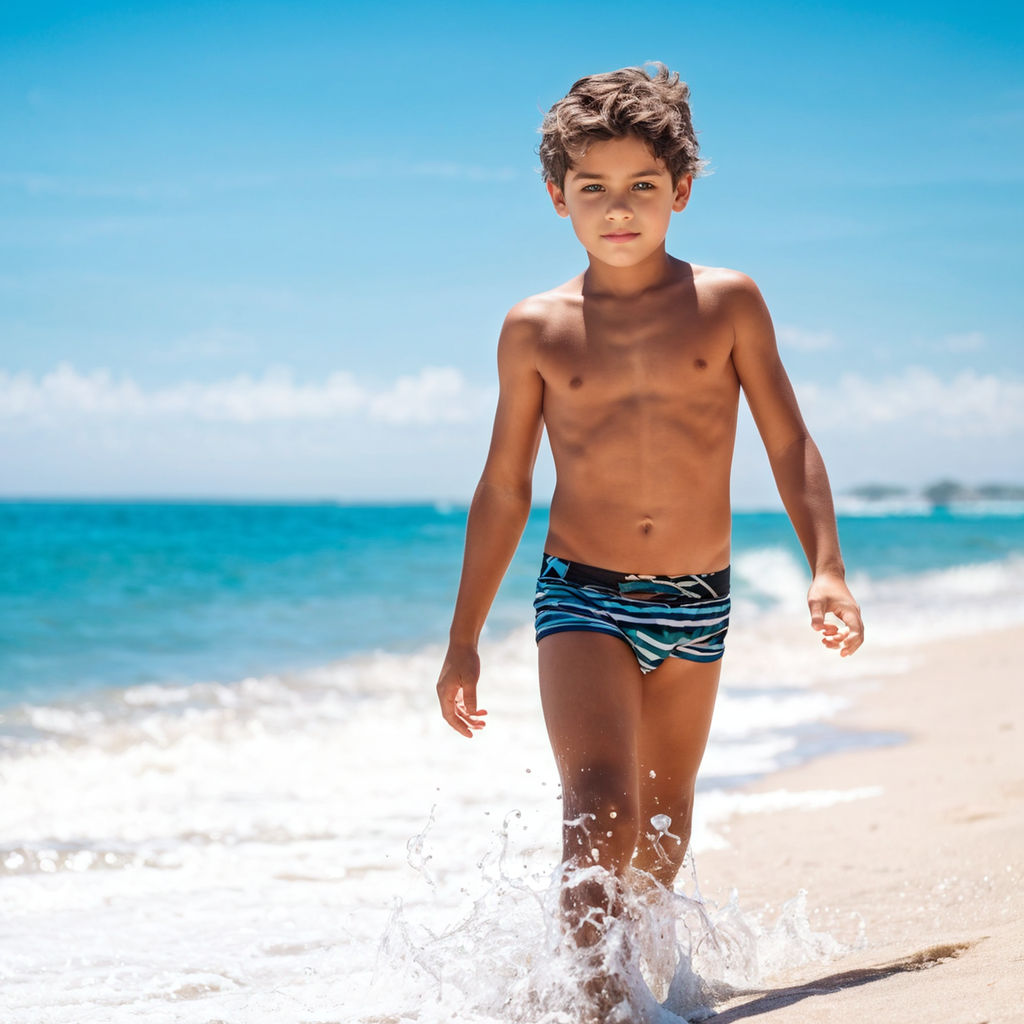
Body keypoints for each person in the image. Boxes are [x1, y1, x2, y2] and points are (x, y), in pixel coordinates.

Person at [435, 62, 863, 1014]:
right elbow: (506, 485)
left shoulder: (729, 302)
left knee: (661, 831)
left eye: (641, 187)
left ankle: (650, 992)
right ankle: (593, 1006)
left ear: (682, 189)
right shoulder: (535, 326)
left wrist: (826, 568)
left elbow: (787, 440)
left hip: (697, 601)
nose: (617, 209)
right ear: (558, 197)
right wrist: (464, 636)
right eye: (593, 189)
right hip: (580, 592)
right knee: (600, 810)